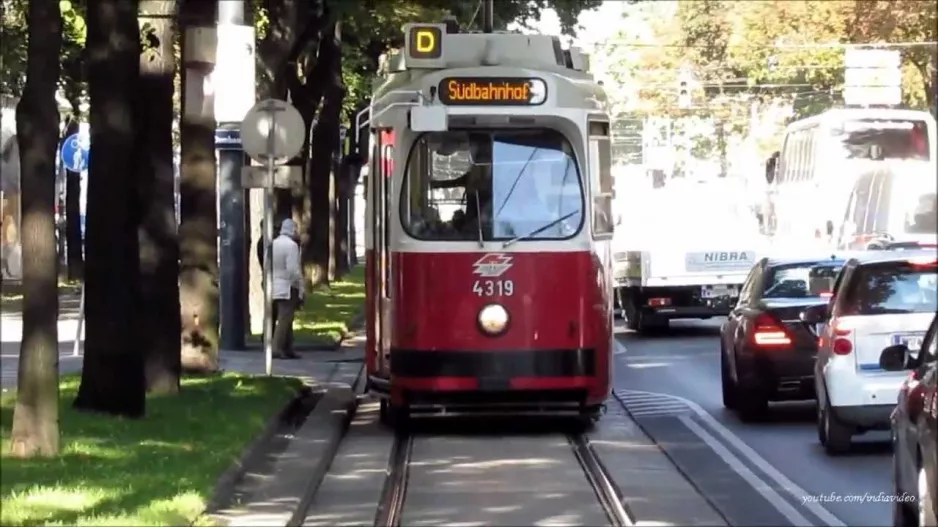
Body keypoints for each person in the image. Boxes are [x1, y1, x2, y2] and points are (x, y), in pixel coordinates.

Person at [271, 218, 304, 359]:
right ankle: (276, 348)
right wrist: (299, 286)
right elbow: (293, 270)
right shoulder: (291, 246)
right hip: (288, 286)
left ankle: (288, 348)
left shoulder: (273, 244)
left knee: (286, 318)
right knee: (284, 319)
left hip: (275, 284)